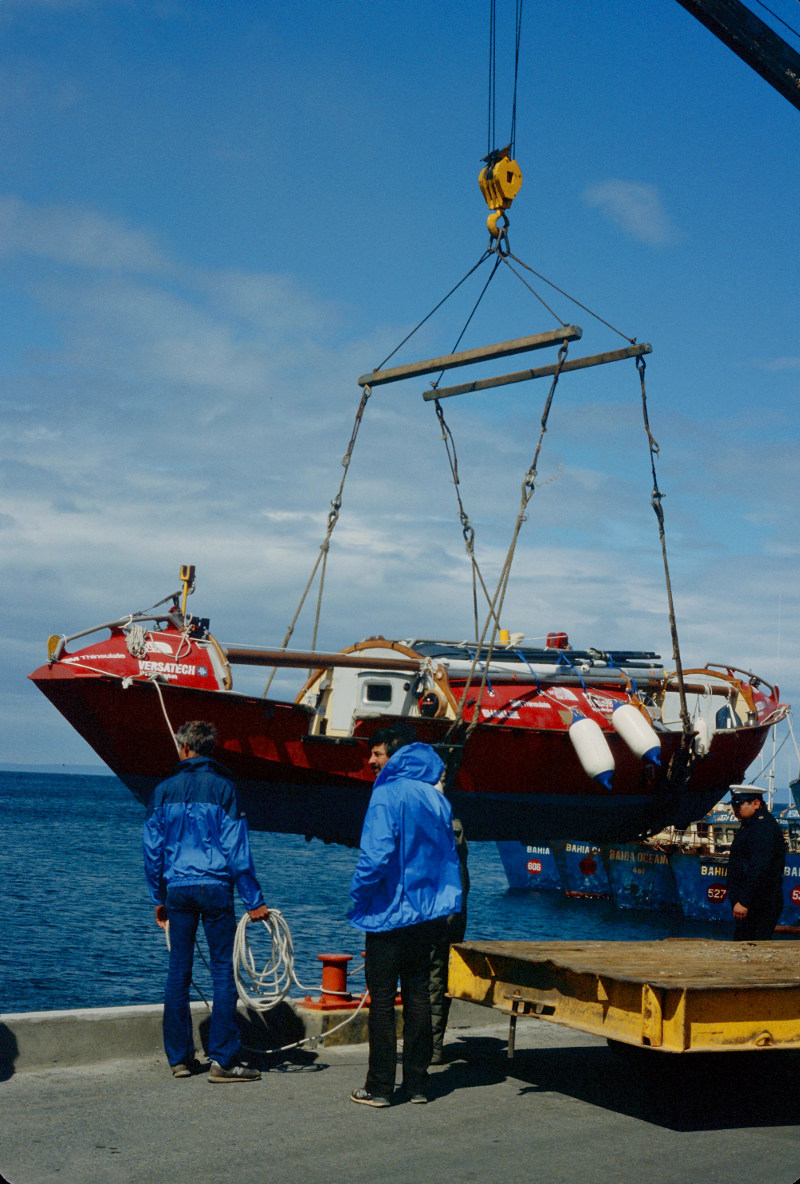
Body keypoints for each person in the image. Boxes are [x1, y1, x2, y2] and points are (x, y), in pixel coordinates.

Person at [143, 720, 269, 1081]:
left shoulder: (163, 790)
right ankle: (223, 1061)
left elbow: (152, 850)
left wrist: (157, 896)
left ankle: (179, 1059)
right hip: (215, 889)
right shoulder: (225, 788)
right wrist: (253, 899)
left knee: (178, 972)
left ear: (184, 748)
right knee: (221, 972)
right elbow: (237, 849)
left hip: (177, 890)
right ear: (211, 749)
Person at [349, 726, 463, 1107]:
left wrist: (358, 898)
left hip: (388, 913)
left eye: (377, 754)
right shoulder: (436, 799)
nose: (371, 761)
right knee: (417, 995)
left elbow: (375, 857)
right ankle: (417, 1083)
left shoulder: (386, 794)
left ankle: (379, 1087)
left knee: (382, 1000)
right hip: (427, 914)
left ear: (394, 757)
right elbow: (447, 859)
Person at [727, 786, 785, 941]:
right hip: (754, 901)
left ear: (756, 804)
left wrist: (744, 901)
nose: (735, 810)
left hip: (759, 902)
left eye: (739, 805)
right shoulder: (751, 824)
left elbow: (760, 868)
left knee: (751, 947)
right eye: (734, 806)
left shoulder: (762, 827)